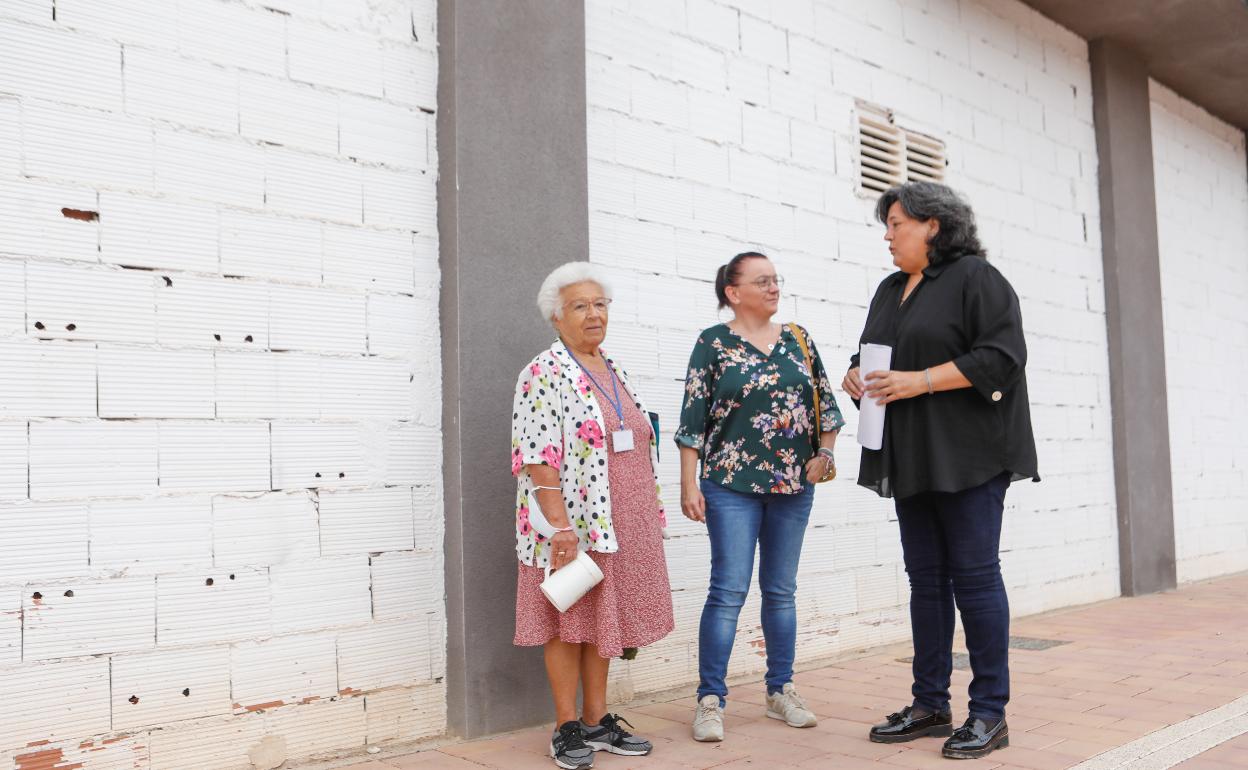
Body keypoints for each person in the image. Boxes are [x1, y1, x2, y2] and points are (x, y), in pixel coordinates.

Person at [842, 181, 1039, 760]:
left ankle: (989, 713)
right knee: (926, 582)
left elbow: (1002, 359)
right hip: (911, 453)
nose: (888, 235)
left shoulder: (977, 278)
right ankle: (930, 702)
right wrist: (857, 374)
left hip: (970, 453)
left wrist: (920, 380)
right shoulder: (888, 289)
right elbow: (875, 354)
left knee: (974, 579)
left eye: (896, 223)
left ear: (933, 224)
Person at [675, 251, 845, 743]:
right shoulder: (713, 344)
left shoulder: (798, 339)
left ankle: (780, 691)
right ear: (733, 291)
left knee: (781, 590)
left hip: (793, 486)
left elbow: (826, 409)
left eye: (777, 280)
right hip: (729, 486)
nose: (774, 288)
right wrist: (688, 483)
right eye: (763, 281)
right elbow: (693, 422)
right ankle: (710, 700)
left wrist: (826, 456)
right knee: (728, 591)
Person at [511, 262, 674, 769]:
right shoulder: (543, 371)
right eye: (580, 306)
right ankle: (565, 727)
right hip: (574, 523)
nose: (594, 314)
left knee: (602, 620)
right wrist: (560, 526)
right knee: (567, 620)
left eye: (600, 304)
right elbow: (536, 455)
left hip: (621, 518)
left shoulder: (612, 367)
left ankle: (598, 720)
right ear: (556, 318)